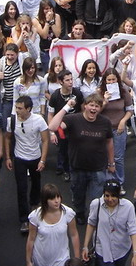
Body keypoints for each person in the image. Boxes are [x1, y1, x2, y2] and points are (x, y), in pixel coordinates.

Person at [48, 93, 116, 225]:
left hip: (98, 168)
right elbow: (52, 126)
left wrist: (111, 162)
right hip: (77, 167)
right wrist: (66, 107)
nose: (94, 108)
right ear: (85, 106)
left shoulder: (105, 122)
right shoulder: (73, 119)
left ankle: (93, 218)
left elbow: (109, 142)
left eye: (97, 106)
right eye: (91, 105)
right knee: (78, 195)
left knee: (96, 199)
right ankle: (79, 213)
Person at [83, 180, 136, 266]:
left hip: (122, 249)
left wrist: (135, 254)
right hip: (103, 250)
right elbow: (91, 224)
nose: (110, 199)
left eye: (113, 196)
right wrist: (85, 246)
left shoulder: (128, 207)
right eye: (107, 195)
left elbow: (133, 230)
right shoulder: (96, 204)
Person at [6, 96, 49, 233]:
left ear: (28, 109)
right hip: (19, 158)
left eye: (20, 108)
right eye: (16, 108)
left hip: (35, 157)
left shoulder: (38, 120)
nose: (17, 111)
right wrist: (8, 157)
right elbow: (7, 138)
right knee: (21, 188)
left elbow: (45, 140)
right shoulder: (11, 120)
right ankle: (24, 219)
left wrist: (42, 160)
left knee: (36, 184)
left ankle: (35, 206)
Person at [26, 183, 80, 266]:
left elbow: (74, 235)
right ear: (45, 201)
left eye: (58, 197)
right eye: (52, 199)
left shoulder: (68, 213)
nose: (57, 201)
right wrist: (28, 260)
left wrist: (76, 259)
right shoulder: (35, 216)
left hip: (61, 258)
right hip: (42, 259)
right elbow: (31, 239)